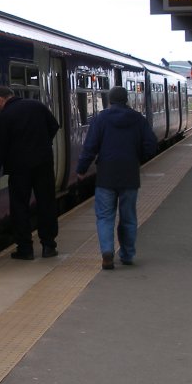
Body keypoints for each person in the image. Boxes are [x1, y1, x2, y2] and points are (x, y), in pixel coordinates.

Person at [76, 86, 157, 270]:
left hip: (106, 175)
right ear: (126, 99)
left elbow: (90, 147)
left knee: (105, 216)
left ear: (110, 100)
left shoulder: (101, 119)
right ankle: (127, 254)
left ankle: (107, 252)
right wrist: (137, 157)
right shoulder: (138, 119)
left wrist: (81, 169)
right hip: (129, 174)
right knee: (128, 216)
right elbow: (151, 145)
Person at [0, 86, 60, 260]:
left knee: (20, 207)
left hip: (19, 169)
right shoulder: (37, 106)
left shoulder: (5, 117)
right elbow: (54, 126)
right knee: (46, 203)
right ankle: (49, 246)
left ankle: (25, 249)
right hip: (43, 164)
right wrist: (42, 144)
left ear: (1, 99)